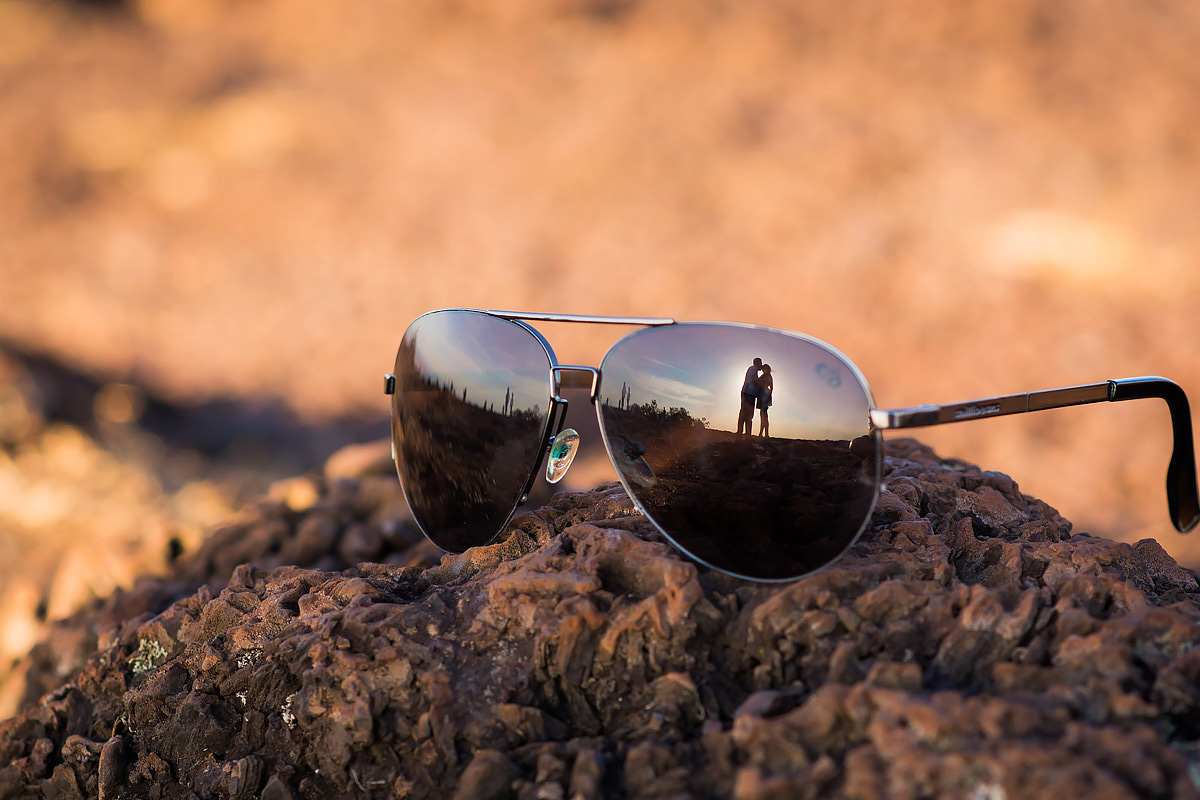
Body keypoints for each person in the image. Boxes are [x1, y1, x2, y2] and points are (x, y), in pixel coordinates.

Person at [738, 358, 762, 435]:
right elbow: (753, 379)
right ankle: (743, 433)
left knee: (747, 413)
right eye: (760, 363)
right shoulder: (753, 368)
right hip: (748, 393)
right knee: (746, 413)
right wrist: (762, 385)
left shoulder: (753, 369)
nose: (761, 365)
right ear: (757, 363)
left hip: (749, 394)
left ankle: (745, 433)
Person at [755, 364, 773, 438]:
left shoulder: (767, 376)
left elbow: (771, 387)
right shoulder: (767, 376)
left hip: (764, 396)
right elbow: (771, 387)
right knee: (763, 414)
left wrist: (767, 395)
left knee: (764, 415)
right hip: (763, 395)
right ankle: (763, 433)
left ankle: (764, 433)